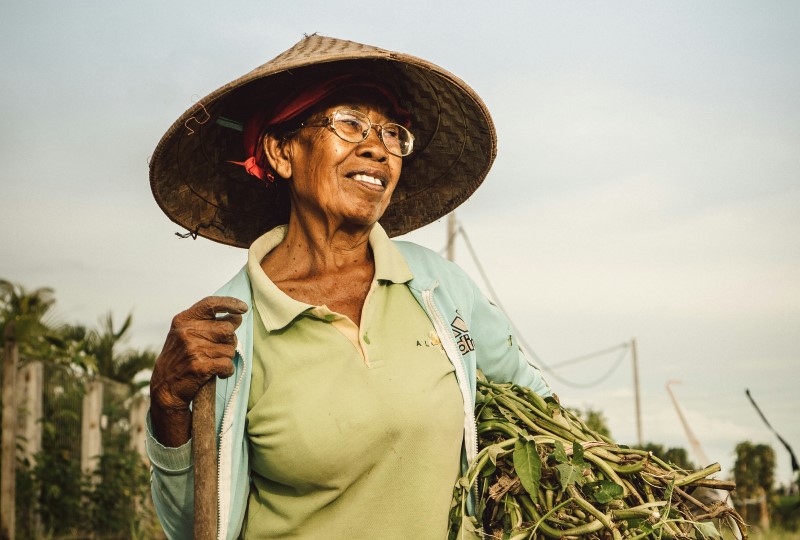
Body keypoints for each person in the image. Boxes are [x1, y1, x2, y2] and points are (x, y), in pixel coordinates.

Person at [147, 34, 551, 540]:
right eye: (349, 122)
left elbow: (538, 409)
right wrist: (167, 404)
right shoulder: (231, 336)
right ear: (281, 152)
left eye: (390, 133)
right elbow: (195, 526)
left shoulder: (439, 289)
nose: (376, 148)